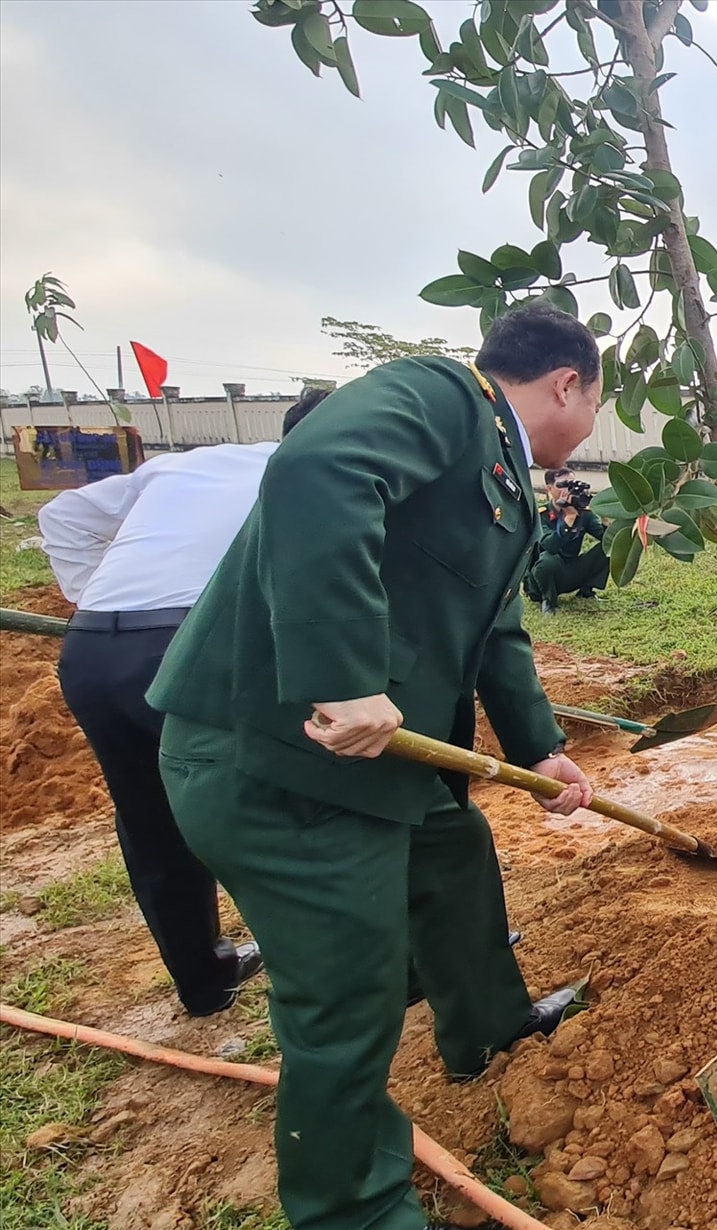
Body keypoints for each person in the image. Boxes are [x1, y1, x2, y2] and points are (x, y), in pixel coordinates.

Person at [146, 305, 605, 1230]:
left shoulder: (506, 477)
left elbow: (493, 629)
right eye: (599, 402)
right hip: (280, 765)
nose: (593, 424)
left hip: (375, 769)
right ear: (567, 383)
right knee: (347, 995)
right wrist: (342, 675)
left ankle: (485, 1030)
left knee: (454, 852)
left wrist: (539, 749)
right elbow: (318, 468)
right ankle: (353, 1207)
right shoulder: (441, 398)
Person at [38, 389, 327, 1017]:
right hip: (193, 647)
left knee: (150, 822)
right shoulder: (318, 474)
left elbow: (61, 516)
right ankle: (337, 974)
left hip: (92, 652)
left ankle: (203, 980)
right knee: (275, 804)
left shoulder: (191, 461)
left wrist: (100, 601)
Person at [528, 466, 609, 614]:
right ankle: (548, 601)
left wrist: (605, 520)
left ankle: (586, 591)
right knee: (548, 560)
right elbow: (549, 546)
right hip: (541, 579)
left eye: (572, 485)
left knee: (609, 549)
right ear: (550, 489)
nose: (569, 491)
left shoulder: (583, 514)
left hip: (570, 570)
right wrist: (569, 518)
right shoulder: (541, 515)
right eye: (564, 485)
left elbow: (607, 540)